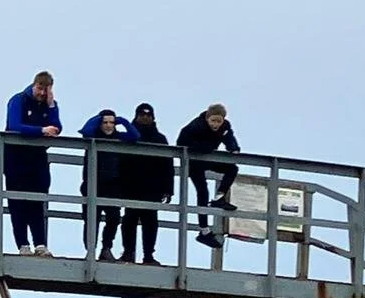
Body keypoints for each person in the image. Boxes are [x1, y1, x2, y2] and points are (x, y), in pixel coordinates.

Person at [3, 71, 61, 256]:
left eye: (46, 91)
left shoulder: (49, 104)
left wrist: (51, 106)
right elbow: (15, 126)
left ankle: (40, 244)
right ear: (34, 85)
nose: (42, 94)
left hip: (37, 158)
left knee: (38, 200)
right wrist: (42, 130)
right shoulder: (18, 100)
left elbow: (57, 127)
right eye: (40, 89)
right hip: (15, 158)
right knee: (17, 201)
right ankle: (23, 244)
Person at [78, 108, 139, 261]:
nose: (108, 125)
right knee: (91, 219)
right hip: (92, 184)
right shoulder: (93, 135)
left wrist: (122, 121)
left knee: (113, 218)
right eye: (105, 122)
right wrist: (97, 119)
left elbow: (135, 136)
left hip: (112, 185)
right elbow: (85, 131)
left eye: (112, 122)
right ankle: (90, 251)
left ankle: (106, 248)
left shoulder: (119, 137)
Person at [178, 103, 242, 249]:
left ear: (223, 120)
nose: (215, 124)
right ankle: (204, 231)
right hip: (194, 161)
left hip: (207, 159)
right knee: (202, 191)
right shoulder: (196, 126)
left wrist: (234, 149)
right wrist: (202, 148)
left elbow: (229, 139)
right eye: (213, 120)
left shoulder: (225, 127)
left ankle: (219, 197)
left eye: (219, 121)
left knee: (232, 169)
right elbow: (181, 141)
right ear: (207, 118)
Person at [118, 102, 173, 266]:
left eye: (148, 115)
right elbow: (119, 161)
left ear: (153, 118)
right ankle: (128, 252)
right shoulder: (128, 137)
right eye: (142, 115)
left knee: (150, 221)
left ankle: (148, 255)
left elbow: (167, 165)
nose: (145, 118)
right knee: (129, 220)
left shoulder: (160, 139)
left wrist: (168, 189)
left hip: (152, 189)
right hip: (131, 186)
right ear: (136, 116)